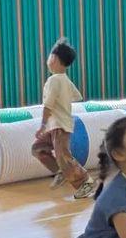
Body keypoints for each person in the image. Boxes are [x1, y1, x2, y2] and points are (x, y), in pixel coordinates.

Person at [32, 37, 93, 198]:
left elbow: (48, 105)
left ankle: (85, 181)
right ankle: (60, 172)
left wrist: (42, 126)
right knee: (38, 149)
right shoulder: (66, 80)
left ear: (56, 60)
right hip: (59, 125)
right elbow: (77, 96)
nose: (49, 59)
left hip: (58, 126)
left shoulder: (53, 80)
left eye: (51, 56)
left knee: (64, 157)